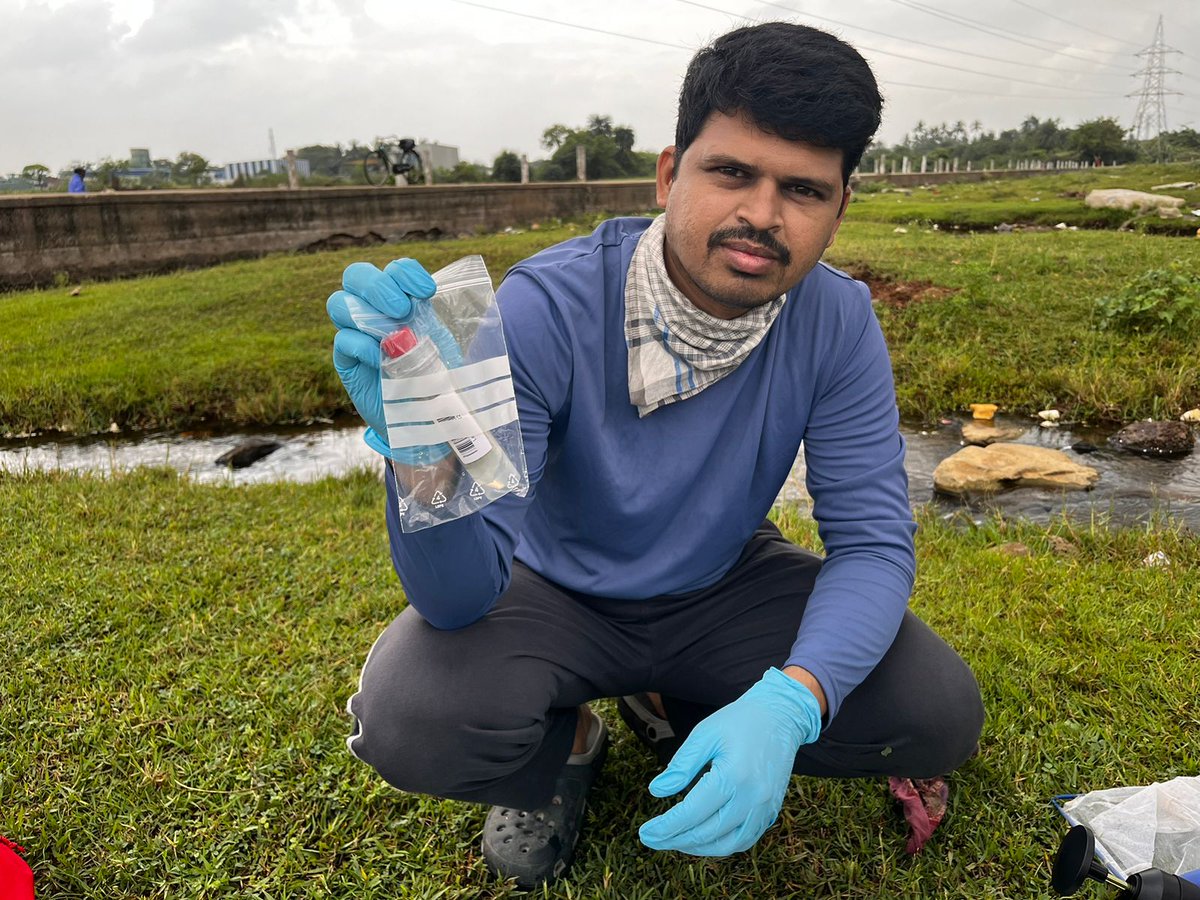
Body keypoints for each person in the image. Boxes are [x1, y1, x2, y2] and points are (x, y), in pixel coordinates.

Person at [327, 21, 984, 891]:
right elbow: (454, 598)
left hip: (722, 585)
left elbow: (871, 545)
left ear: (839, 207)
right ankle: (567, 745)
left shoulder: (836, 319)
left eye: (803, 188)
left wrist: (795, 701)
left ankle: (689, 702)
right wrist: (421, 457)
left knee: (934, 712)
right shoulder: (542, 307)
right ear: (672, 174)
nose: (762, 213)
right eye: (731, 172)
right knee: (412, 716)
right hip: (552, 589)